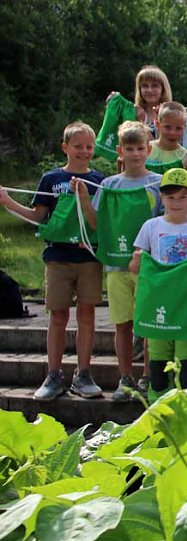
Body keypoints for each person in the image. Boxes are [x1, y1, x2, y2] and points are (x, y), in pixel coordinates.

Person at [0, 122, 105, 400]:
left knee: (87, 315)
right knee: (58, 315)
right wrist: (8, 202)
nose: (84, 151)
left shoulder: (100, 180)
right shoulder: (51, 178)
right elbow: (37, 216)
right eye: (78, 146)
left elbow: (101, 220)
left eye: (89, 147)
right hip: (58, 257)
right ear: (65, 147)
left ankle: (83, 373)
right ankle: (54, 373)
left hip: (89, 257)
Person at [76, 120, 163, 400]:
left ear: (148, 150)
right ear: (119, 151)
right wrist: (84, 201)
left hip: (148, 267)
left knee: (148, 325)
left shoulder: (158, 184)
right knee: (122, 324)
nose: (135, 153)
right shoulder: (109, 184)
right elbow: (97, 223)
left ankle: (148, 377)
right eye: (129, 148)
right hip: (116, 266)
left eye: (140, 148)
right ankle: (125, 378)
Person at [129, 168, 187, 401]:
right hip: (158, 304)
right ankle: (158, 412)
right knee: (159, 363)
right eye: (170, 197)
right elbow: (134, 267)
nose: (176, 202)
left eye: (183, 196)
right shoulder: (151, 227)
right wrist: (139, 260)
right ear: (162, 198)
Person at [147, 102, 187, 174]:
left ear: (185, 128)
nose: (172, 133)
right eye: (167, 127)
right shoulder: (145, 149)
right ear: (158, 125)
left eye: (178, 128)